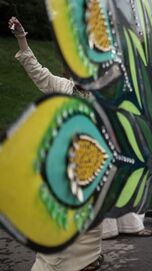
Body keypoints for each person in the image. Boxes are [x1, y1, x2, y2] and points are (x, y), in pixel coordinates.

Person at [8, 17, 104, 271]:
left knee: (87, 248)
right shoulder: (61, 87)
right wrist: (21, 37)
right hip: (61, 174)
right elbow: (35, 69)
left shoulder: (104, 96)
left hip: (92, 178)